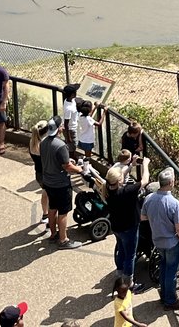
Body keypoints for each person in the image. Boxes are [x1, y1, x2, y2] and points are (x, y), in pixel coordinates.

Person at [140, 167, 179, 310]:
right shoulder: (174, 203)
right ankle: (170, 301)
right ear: (170, 183)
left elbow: (143, 217)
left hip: (157, 240)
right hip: (171, 243)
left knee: (163, 266)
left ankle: (163, 295)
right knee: (171, 271)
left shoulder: (149, 198)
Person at [92, 162, 141, 286]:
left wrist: (131, 165)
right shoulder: (127, 192)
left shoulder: (106, 189)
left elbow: (119, 177)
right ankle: (129, 283)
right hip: (129, 228)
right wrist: (145, 164)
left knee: (121, 249)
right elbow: (144, 180)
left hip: (117, 228)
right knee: (130, 255)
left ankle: (119, 273)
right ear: (119, 180)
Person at [38, 119, 85, 249]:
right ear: (59, 129)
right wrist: (81, 170)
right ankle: (63, 240)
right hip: (61, 184)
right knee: (63, 212)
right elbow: (67, 166)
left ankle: (53, 234)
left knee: (52, 208)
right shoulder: (60, 145)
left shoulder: (43, 143)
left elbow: (53, 159)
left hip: (48, 182)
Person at [27, 120, 49, 234]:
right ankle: (49, 218)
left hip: (39, 173)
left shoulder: (32, 142)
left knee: (45, 193)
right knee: (50, 196)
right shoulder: (44, 145)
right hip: (47, 173)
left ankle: (45, 214)